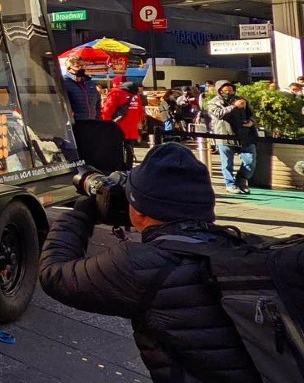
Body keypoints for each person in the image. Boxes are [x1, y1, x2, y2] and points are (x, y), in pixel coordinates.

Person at [40, 142, 258, 382]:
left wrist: (80, 216)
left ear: (140, 211)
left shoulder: (141, 264)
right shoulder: (245, 247)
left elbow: (54, 274)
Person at [207, 81, 257, 195]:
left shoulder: (241, 100)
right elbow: (219, 114)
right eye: (226, 90)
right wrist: (234, 106)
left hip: (243, 135)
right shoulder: (213, 102)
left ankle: (242, 179)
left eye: (231, 90)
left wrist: (251, 122)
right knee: (227, 163)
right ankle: (230, 184)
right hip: (224, 135)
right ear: (220, 91)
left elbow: (251, 115)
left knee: (250, 160)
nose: (228, 92)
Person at [101, 77, 144, 167]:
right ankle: (129, 168)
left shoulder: (115, 93)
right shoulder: (136, 96)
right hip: (132, 129)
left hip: (118, 128)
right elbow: (140, 112)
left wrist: (105, 126)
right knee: (129, 150)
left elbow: (107, 110)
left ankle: (119, 168)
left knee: (117, 151)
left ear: (115, 84)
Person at [62, 54, 101, 121]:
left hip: (92, 121)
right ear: (69, 68)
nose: (81, 68)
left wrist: (97, 118)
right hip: (75, 122)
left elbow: (98, 102)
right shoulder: (64, 82)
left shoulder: (90, 82)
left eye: (83, 65)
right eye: (78, 66)